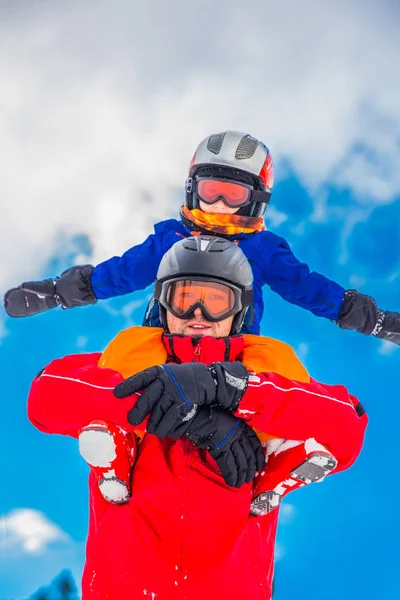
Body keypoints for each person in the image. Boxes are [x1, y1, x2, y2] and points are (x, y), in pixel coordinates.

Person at [28, 236, 367, 600]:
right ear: (163, 303)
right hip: (125, 582)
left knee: (293, 437)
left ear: (240, 309)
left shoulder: (264, 372)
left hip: (228, 586)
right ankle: (115, 452)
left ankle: (277, 469)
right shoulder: (134, 360)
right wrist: (178, 409)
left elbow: (347, 425)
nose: (199, 315)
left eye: (217, 301)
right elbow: (46, 395)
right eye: (185, 298)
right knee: (107, 428)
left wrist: (232, 389)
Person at [4, 130, 399, 344]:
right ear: (194, 189)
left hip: (234, 348)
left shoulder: (261, 249)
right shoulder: (170, 239)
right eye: (212, 191)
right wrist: (58, 292)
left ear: (256, 202)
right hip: (164, 340)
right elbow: (122, 272)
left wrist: (373, 320)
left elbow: (306, 287)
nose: (221, 204)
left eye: (235, 195)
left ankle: (272, 459)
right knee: (124, 361)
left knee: (273, 370)